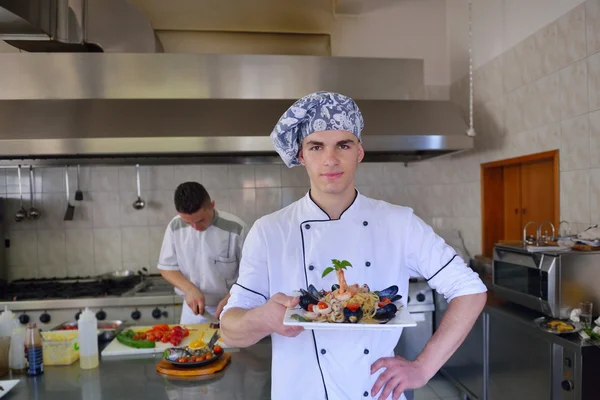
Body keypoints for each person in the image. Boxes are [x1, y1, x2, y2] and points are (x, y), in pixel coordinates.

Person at [220, 91, 487, 400]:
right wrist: (261, 318)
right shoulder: (269, 231)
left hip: (376, 394)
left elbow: (470, 290)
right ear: (302, 155)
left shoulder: (399, 222)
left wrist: (424, 367)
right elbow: (229, 328)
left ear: (359, 152)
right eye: (316, 146)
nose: (330, 159)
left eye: (343, 145)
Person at [158, 181, 248, 324]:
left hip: (232, 307)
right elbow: (167, 268)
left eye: (200, 220)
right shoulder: (175, 226)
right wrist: (189, 289)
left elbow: (251, 272)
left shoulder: (236, 228)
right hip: (193, 309)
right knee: (189, 346)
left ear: (212, 205)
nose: (195, 227)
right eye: (188, 222)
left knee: (229, 347)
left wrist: (231, 296)